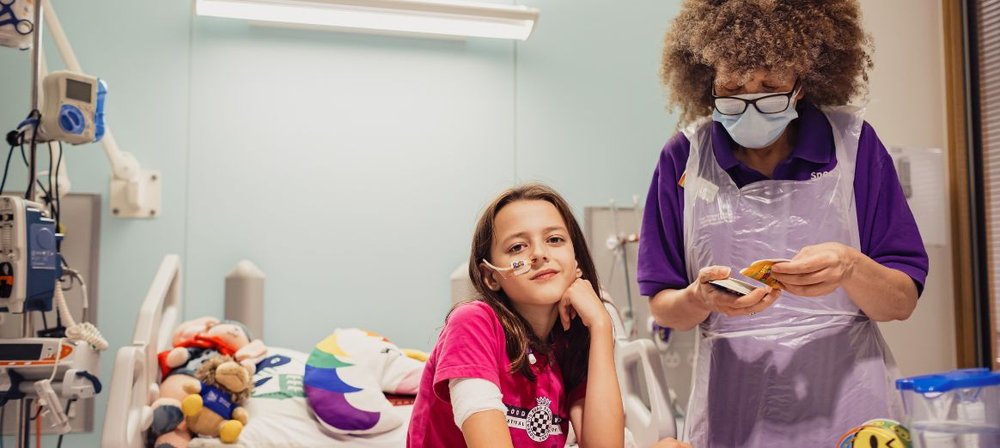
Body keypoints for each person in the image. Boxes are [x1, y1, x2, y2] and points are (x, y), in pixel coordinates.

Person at [637, 1, 929, 446]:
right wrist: (700, 298)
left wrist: (850, 267)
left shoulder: (854, 147)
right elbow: (663, 307)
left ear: (802, 84)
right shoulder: (685, 158)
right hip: (733, 412)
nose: (750, 107)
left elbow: (901, 303)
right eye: (732, 91)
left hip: (850, 407)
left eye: (771, 88)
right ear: (706, 82)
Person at [407, 183, 626, 447]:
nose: (539, 254)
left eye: (554, 240)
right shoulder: (473, 323)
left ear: (575, 258)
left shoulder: (569, 343)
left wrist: (601, 326)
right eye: (517, 247)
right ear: (491, 276)